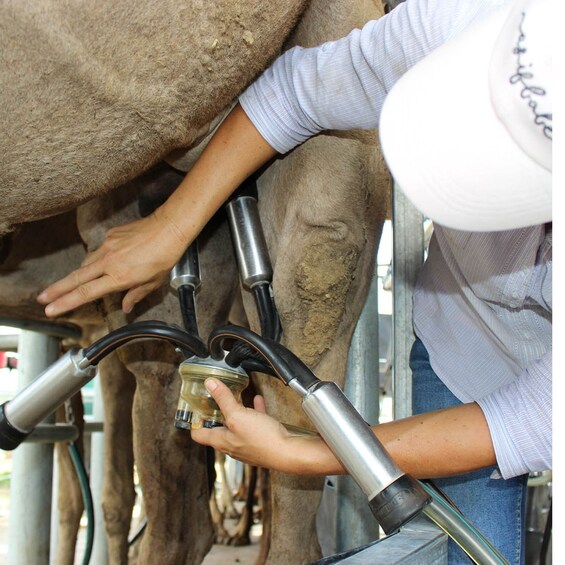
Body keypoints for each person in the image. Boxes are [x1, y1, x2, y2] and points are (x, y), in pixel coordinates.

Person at [37, 0, 552, 562]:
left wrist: (302, 451)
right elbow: (296, 91)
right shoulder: (466, 19)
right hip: (463, 341)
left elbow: (525, 421)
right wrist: (172, 224)